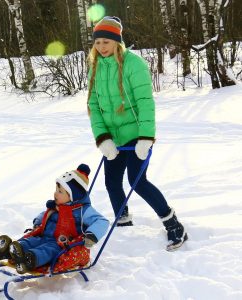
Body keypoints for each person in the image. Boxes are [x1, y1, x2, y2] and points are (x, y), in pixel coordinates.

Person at [87, 16, 188, 251]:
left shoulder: (134, 64)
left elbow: (145, 103)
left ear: (117, 42)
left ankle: (174, 225)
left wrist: (146, 137)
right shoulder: (95, 66)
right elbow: (93, 105)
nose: (101, 47)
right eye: (98, 42)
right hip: (113, 138)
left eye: (106, 42)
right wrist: (102, 138)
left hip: (136, 135)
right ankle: (123, 224)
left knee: (137, 180)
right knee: (111, 182)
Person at [0, 164, 109, 274]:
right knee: (32, 241)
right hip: (44, 236)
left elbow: (102, 221)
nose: (55, 194)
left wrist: (91, 235)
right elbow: (45, 214)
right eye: (56, 190)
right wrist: (38, 222)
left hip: (61, 244)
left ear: (73, 197)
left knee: (47, 250)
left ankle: (30, 260)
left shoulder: (83, 210)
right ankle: (9, 250)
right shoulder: (56, 206)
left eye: (60, 191)